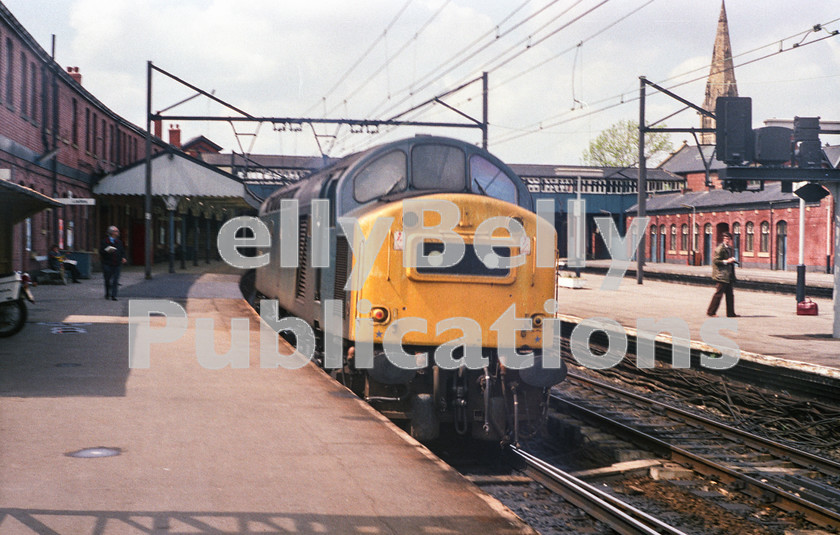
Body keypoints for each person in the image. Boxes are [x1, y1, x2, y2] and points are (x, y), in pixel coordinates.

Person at [707, 232, 738, 317]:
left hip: (728, 275)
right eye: (725, 238)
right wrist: (727, 261)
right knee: (718, 294)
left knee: (730, 295)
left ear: (730, 240)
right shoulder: (720, 248)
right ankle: (711, 312)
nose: (727, 240)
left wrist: (731, 260)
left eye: (728, 239)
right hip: (721, 275)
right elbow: (716, 261)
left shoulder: (730, 248)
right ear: (723, 239)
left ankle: (731, 313)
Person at [99, 225, 126, 301]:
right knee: (107, 279)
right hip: (107, 263)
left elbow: (122, 251)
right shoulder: (105, 241)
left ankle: (114, 295)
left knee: (115, 280)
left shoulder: (119, 242)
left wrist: (123, 257)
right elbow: (101, 251)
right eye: (116, 231)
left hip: (117, 263)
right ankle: (107, 293)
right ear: (111, 233)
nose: (117, 232)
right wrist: (107, 250)